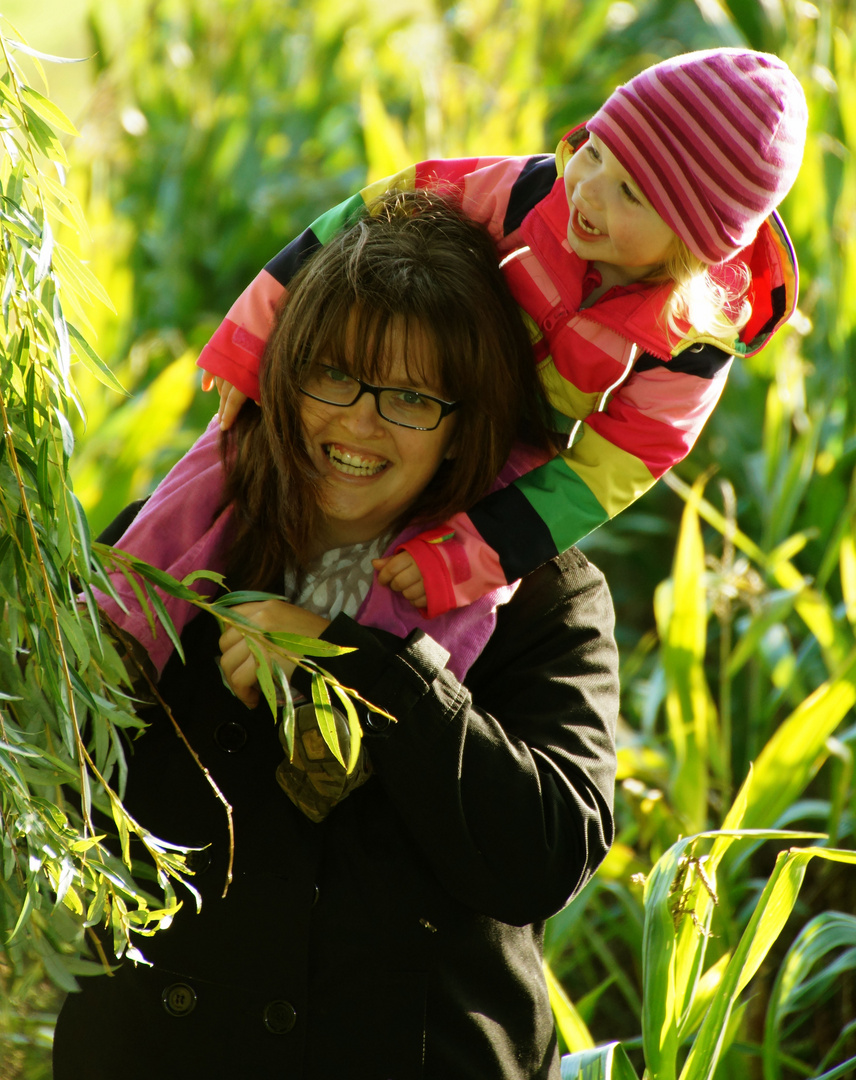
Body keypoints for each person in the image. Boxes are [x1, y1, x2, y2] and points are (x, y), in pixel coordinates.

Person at [53, 193, 620, 1079]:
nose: (358, 424)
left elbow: (545, 854)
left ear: (468, 421)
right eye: (331, 375)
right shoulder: (163, 555)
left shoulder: (539, 599)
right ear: (283, 372)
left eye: (410, 397)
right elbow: (61, 779)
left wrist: (357, 664)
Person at [91, 47, 806, 668]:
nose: (586, 191)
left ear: (693, 244)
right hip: (411, 368)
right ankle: (119, 625)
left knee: (448, 594)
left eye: (629, 194)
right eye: (593, 151)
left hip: (517, 443)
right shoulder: (521, 194)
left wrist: (479, 548)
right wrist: (252, 344)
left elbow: (611, 469)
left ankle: (340, 712)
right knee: (229, 455)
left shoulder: (687, 349)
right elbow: (353, 224)